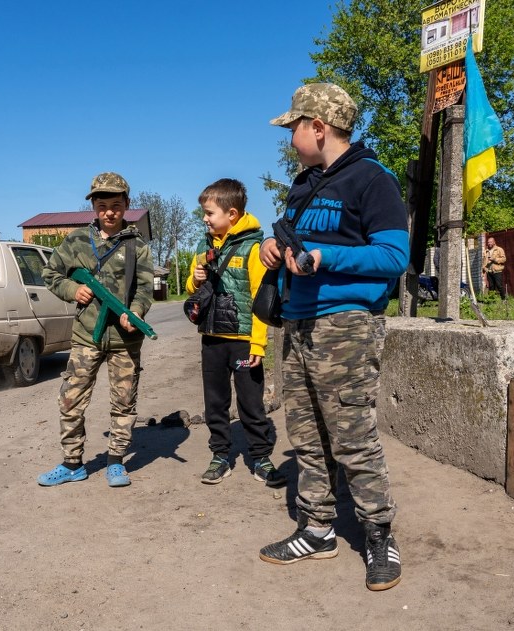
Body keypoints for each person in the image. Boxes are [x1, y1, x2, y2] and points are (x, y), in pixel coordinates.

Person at [257, 83, 408, 591]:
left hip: (344, 326)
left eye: (294, 128)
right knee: (306, 437)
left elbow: (393, 257)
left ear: (318, 128)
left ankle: (378, 534)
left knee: (353, 437)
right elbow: (287, 242)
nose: (290, 137)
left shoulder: (372, 179)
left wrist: (326, 256)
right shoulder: (304, 184)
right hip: (296, 324)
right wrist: (269, 253)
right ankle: (318, 528)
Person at [38, 172, 154, 488]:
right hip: (85, 337)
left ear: (126, 205)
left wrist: (138, 311)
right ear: (94, 206)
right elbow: (50, 273)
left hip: (124, 340)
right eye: (102, 206)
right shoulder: (76, 242)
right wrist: (71, 290)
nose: (109, 213)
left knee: (124, 402)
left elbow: (145, 288)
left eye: (116, 205)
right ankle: (72, 463)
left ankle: (116, 462)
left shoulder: (137, 247)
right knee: (70, 399)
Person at [185, 178, 284, 488]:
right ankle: (220, 456)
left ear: (231, 213)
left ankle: (261, 457)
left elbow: (260, 298)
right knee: (214, 401)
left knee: (251, 403)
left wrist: (258, 343)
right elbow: (190, 288)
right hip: (212, 337)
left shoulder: (254, 247)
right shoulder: (203, 245)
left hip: (243, 341)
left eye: (209, 213)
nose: (204, 218)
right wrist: (196, 278)